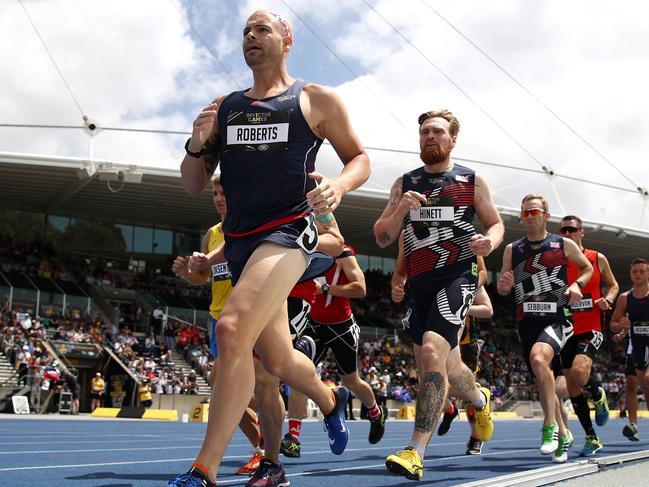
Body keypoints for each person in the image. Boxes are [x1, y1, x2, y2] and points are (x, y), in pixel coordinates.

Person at [170, 10, 370, 487]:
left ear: (287, 39)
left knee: (233, 328)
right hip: (240, 242)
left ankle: (206, 470)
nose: (251, 37)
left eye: (262, 29)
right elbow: (194, 184)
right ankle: (329, 401)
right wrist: (197, 146)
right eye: (245, 31)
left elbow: (359, 158)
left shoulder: (314, 99)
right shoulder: (224, 107)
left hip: (288, 231)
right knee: (277, 360)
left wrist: (339, 187)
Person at [374, 109, 503, 481]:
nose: (430, 136)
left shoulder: (471, 181)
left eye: (438, 131)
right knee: (443, 368)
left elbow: (495, 224)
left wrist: (488, 241)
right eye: (424, 132)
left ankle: (415, 450)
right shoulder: (404, 183)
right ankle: (479, 400)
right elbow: (384, 235)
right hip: (420, 283)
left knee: (432, 350)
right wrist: (400, 209)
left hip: (458, 275)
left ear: (452, 139)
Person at [172, 176, 265, 476]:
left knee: (232, 388)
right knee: (228, 389)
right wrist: (188, 272)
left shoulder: (250, 226)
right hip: (217, 319)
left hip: (247, 317)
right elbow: (204, 277)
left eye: (224, 192)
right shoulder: (211, 234)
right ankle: (263, 447)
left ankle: (271, 439)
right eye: (214, 193)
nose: (218, 197)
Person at [497, 194, 593, 461]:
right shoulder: (512, 249)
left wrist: (577, 285)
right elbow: (504, 286)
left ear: (546, 216)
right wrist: (504, 285)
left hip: (557, 319)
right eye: (525, 213)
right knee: (542, 377)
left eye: (534, 212)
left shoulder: (562, 244)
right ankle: (564, 432)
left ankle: (549, 426)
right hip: (527, 321)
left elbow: (586, 269)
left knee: (540, 359)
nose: (529, 217)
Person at [283, 245, 387, 458]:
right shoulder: (305, 247)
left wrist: (327, 289)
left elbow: (360, 288)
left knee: (351, 381)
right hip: (314, 323)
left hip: (342, 326)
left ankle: (376, 413)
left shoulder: (343, 252)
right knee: (299, 375)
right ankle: (293, 438)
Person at [558, 215, 619, 456]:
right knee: (572, 387)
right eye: (563, 230)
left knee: (579, 373)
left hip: (591, 327)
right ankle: (592, 438)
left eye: (572, 229)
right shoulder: (556, 262)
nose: (567, 233)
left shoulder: (596, 258)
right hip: (564, 329)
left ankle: (598, 393)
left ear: (581, 232)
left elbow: (613, 285)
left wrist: (608, 300)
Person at [610, 258, 649, 441]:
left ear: (648, 273)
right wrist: (621, 327)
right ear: (631, 274)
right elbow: (613, 325)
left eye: (642, 271)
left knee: (647, 381)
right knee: (632, 384)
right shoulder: (625, 298)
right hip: (635, 346)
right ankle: (633, 424)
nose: (638, 274)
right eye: (635, 271)